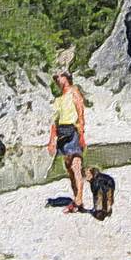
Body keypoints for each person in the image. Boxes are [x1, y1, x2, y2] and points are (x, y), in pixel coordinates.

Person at [47, 71, 87, 213]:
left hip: (73, 130)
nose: (57, 80)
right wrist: (51, 141)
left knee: (76, 166)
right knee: (69, 168)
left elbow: (80, 113)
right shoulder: (58, 100)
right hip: (62, 133)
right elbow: (54, 122)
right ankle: (77, 198)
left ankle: (78, 200)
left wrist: (82, 135)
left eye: (59, 76)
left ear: (66, 77)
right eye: (55, 78)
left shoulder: (74, 92)